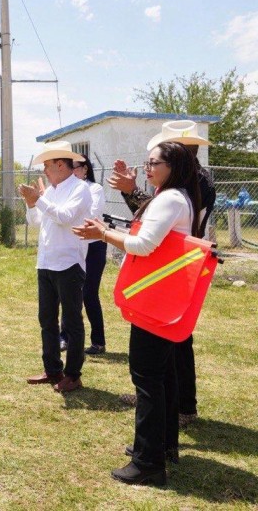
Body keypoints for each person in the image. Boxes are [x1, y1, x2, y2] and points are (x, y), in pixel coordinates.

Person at [74, 141, 202, 486]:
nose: (147, 168)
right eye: (146, 162)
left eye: (153, 163)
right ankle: (163, 447)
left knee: (147, 378)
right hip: (165, 298)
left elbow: (143, 244)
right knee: (163, 376)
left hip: (155, 299)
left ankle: (149, 462)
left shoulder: (170, 199)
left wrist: (102, 232)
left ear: (172, 166)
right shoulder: (177, 198)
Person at [107, 120, 214, 427]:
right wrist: (133, 192)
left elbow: (161, 219)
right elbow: (150, 216)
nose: (153, 163)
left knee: (177, 338)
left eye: (158, 158)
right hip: (164, 265)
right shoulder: (177, 184)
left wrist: (134, 191)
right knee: (164, 342)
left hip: (177, 268)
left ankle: (183, 406)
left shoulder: (197, 182)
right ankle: (163, 401)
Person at [20, 141, 92, 394]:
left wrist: (38, 200)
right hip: (46, 263)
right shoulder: (51, 190)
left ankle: (73, 374)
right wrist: (31, 203)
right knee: (46, 319)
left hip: (69, 263)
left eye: (47, 166)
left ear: (61, 165)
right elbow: (36, 221)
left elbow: (64, 217)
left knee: (71, 322)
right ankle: (53, 370)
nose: (45, 171)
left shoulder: (80, 189)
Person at [60, 155, 108, 355]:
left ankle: (98, 341)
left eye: (76, 167)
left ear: (85, 169)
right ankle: (65, 337)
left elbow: (90, 215)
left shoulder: (94, 189)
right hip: (75, 245)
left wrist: (67, 216)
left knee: (89, 293)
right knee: (69, 292)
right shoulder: (67, 190)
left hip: (94, 246)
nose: (72, 171)